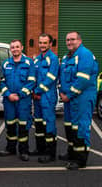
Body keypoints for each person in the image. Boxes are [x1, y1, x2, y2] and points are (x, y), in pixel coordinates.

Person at [59, 31, 98, 170]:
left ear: (79, 41)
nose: (69, 42)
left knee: (81, 128)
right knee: (70, 127)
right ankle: (72, 153)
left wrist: (68, 95)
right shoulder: (67, 57)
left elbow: (82, 80)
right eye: (67, 40)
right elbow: (62, 77)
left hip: (82, 98)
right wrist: (62, 92)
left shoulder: (85, 55)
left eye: (72, 39)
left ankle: (80, 160)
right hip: (70, 99)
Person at [0, 40, 35, 161]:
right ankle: (10, 148)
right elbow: (1, 82)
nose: (15, 49)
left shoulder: (29, 63)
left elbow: (31, 81)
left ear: (22, 48)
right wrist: (8, 94)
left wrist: (19, 94)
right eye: (12, 47)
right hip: (9, 100)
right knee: (10, 124)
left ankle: (24, 150)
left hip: (23, 100)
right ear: (10, 49)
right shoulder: (5, 63)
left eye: (17, 47)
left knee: (23, 125)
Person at [31, 34, 59, 163]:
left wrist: (37, 90)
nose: (42, 45)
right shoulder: (37, 59)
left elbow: (51, 78)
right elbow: (33, 77)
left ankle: (50, 153)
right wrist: (33, 91)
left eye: (45, 43)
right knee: (38, 123)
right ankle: (40, 149)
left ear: (50, 44)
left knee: (49, 123)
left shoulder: (53, 59)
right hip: (37, 97)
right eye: (40, 42)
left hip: (47, 96)